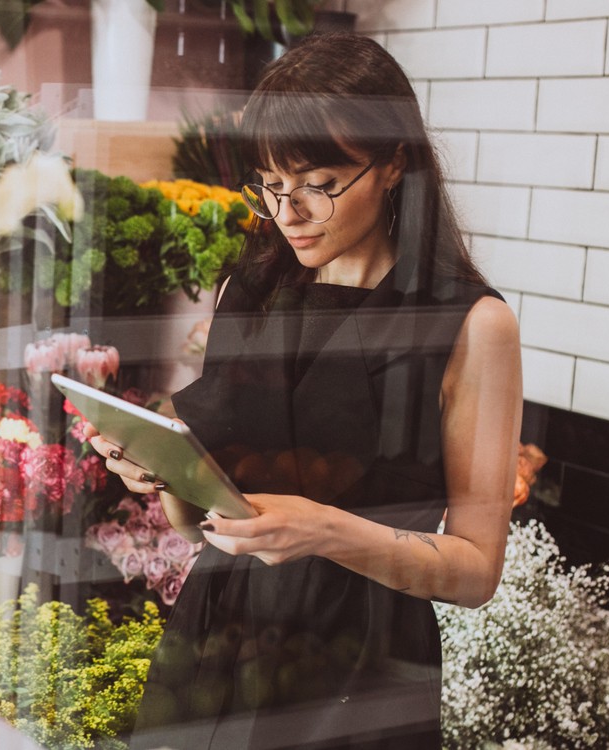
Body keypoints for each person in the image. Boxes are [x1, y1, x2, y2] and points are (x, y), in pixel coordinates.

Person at [87, 33, 522, 749]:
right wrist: (169, 470)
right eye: (271, 185)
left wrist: (325, 531)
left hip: (361, 668)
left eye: (318, 185)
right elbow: (205, 528)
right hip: (217, 640)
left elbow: (476, 572)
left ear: (393, 165)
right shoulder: (250, 290)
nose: (288, 215)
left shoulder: (471, 325)